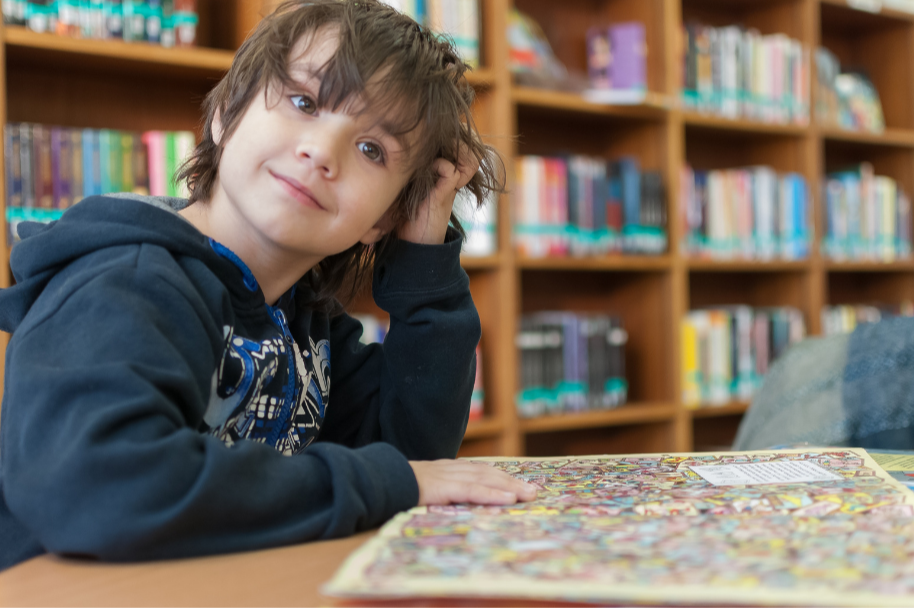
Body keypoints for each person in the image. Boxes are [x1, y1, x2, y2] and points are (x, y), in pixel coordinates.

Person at [0, 0, 536, 571]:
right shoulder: (124, 283)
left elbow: (408, 458)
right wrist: (383, 482)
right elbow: (99, 491)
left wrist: (424, 254)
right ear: (225, 114)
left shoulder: (304, 320)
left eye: (372, 150)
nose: (321, 152)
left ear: (382, 219)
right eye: (304, 102)